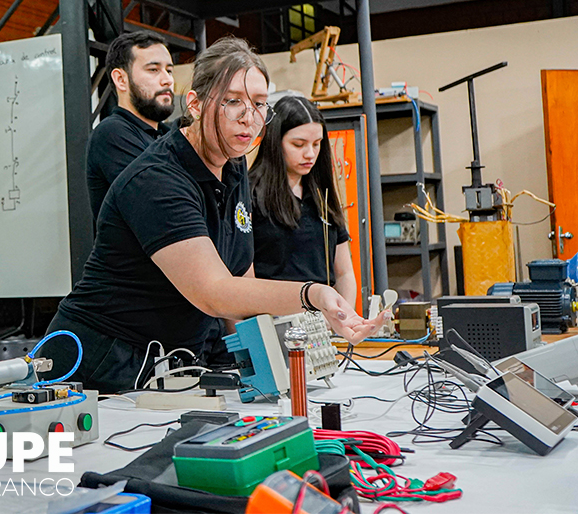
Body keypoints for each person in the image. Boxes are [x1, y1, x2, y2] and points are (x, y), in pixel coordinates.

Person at [38, 36, 386, 393]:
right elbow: (213, 293)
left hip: (168, 360)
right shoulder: (157, 178)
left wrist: (269, 371)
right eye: (233, 101)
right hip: (98, 361)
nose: (248, 117)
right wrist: (314, 295)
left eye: (259, 103)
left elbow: (242, 281)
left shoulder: (233, 167)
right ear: (195, 104)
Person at [250, 96, 358, 309]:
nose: (310, 154)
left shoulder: (322, 195)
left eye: (317, 144)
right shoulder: (250, 194)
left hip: (321, 321)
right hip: (273, 317)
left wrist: (345, 319)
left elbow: (344, 273)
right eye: (298, 144)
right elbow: (241, 278)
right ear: (275, 141)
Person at [85, 32, 176, 223]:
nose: (167, 80)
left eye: (169, 70)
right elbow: (165, 199)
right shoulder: (111, 134)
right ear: (121, 79)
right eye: (153, 70)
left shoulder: (168, 136)